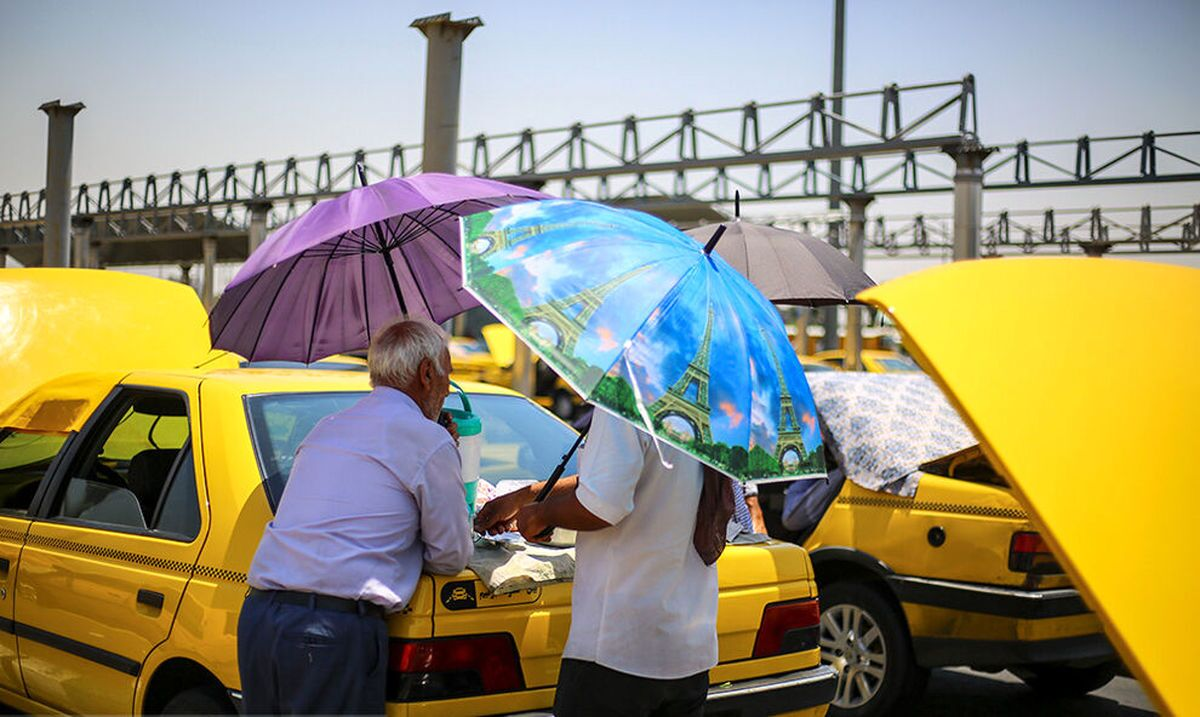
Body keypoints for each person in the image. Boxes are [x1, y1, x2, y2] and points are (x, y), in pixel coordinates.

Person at [237, 317, 473, 715]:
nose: (448, 388)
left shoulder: (327, 426)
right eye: (448, 375)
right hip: (329, 633)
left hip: (261, 619)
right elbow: (450, 556)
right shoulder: (428, 440)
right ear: (427, 373)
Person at [475, 409, 724, 717]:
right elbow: (615, 479)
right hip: (688, 653)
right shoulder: (707, 403)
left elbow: (605, 504)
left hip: (619, 650)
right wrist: (528, 495)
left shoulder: (628, 395)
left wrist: (541, 514)